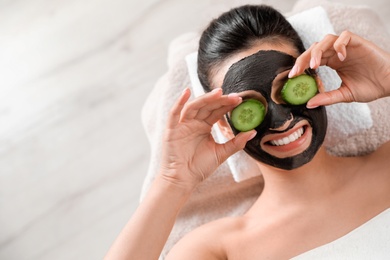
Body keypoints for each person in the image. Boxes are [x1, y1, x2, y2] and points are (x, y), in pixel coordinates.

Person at [105, 5, 390, 259]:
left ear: (317, 81)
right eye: (248, 107)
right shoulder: (221, 248)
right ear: (223, 124)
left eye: (289, 88)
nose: (280, 122)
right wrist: (173, 180)